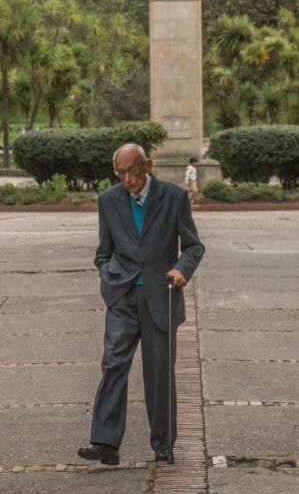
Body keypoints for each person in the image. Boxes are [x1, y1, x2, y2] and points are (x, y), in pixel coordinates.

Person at [78, 144, 204, 466]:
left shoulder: (173, 198)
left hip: (161, 297)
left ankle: (163, 444)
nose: (126, 179)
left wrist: (181, 269)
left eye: (132, 171)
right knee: (113, 364)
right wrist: (108, 275)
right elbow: (103, 251)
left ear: (147, 166)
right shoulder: (108, 200)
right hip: (122, 297)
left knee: (159, 374)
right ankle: (106, 444)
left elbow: (193, 246)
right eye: (119, 173)